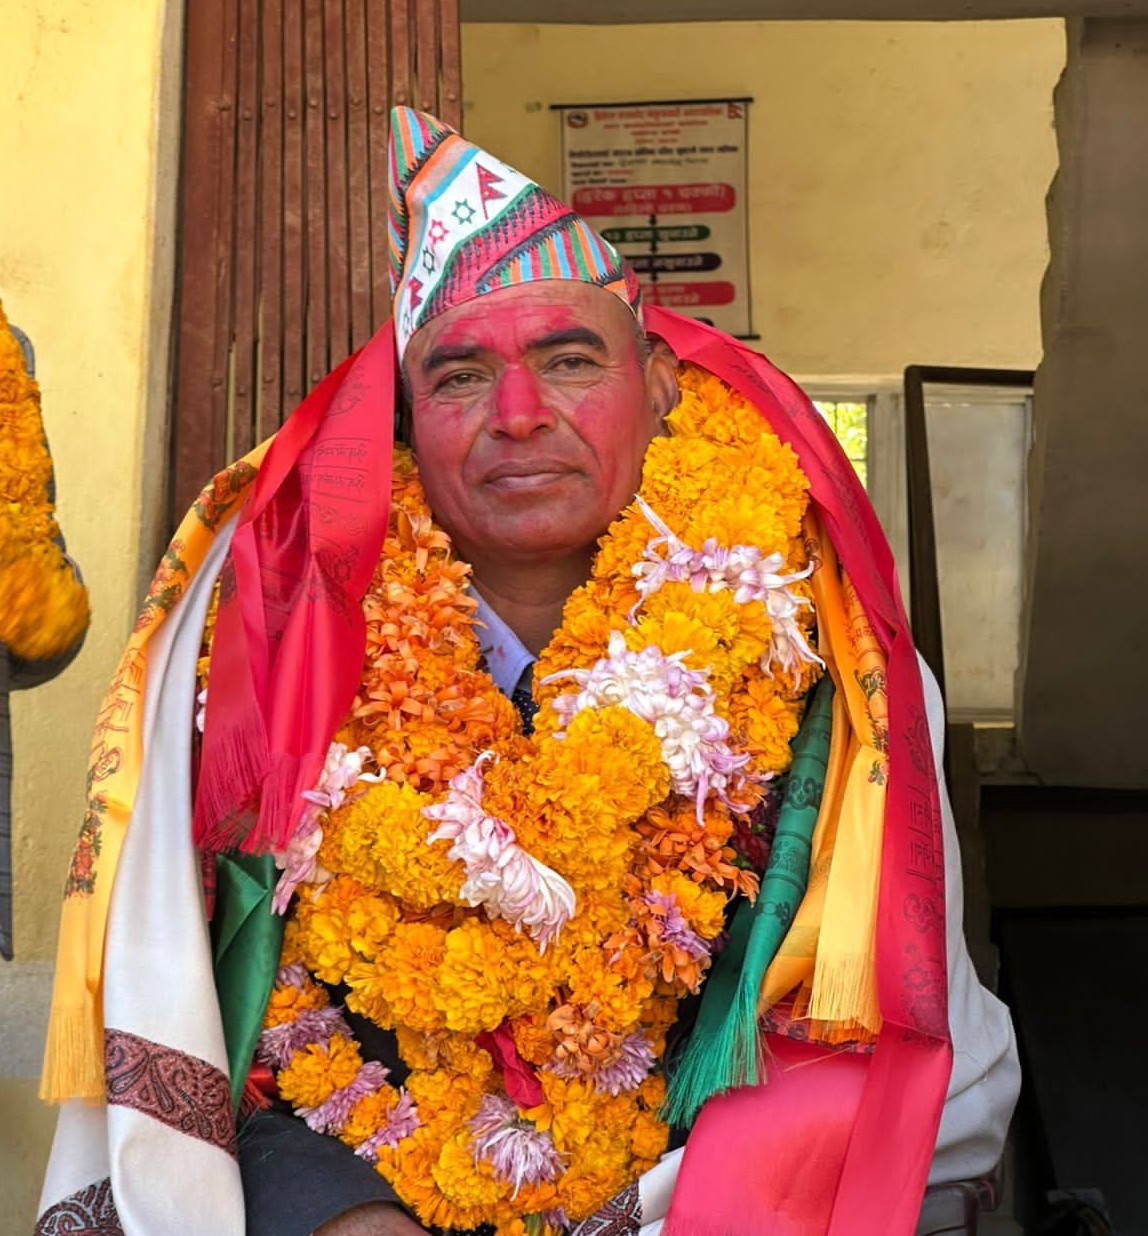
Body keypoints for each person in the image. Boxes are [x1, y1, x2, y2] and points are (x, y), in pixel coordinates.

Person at [36, 109, 1018, 1236]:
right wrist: (339, 1214)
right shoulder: (267, 656)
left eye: (568, 361)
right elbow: (210, 1013)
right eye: (460, 376)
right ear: (404, 419)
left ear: (659, 383)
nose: (516, 417)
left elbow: (873, 1039)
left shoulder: (818, 661)